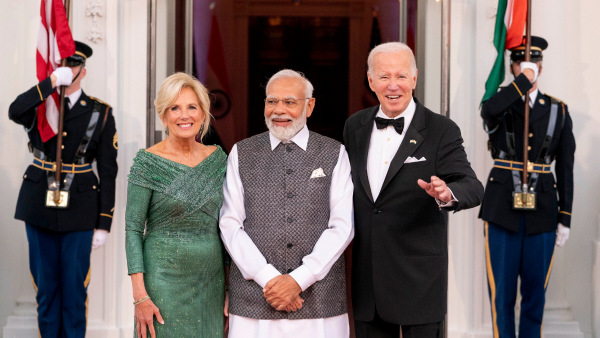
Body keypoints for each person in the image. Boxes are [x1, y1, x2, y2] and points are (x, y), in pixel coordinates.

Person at [343, 41, 484, 337]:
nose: (393, 85)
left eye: (401, 76)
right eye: (384, 77)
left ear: (415, 79)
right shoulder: (354, 126)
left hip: (418, 280)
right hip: (368, 281)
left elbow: (472, 185)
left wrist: (447, 194)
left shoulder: (441, 129)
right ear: (370, 80)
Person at [219, 69, 354, 337]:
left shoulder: (334, 152)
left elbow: (343, 226)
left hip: (320, 299)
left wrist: (298, 280)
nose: (279, 110)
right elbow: (230, 224)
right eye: (272, 101)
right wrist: (269, 279)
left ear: (310, 105)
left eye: (289, 102)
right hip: (253, 298)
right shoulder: (241, 152)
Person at [8, 40, 117, 337]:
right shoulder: (40, 106)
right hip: (38, 207)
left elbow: (108, 171)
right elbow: (14, 110)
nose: (67, 70)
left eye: (72, 65)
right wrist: (50, 83)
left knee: (73, 293)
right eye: (61, 65)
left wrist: (104, 222)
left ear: (83, 70)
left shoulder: (100, 113)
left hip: (81, 212)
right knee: (45, 292)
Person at [480, 36, 575, 337]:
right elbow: (488, 110)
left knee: (535, 295)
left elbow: (566, 167)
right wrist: (522, 82)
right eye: (522, 63)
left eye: (534, 64)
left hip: (544, 210)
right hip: (501, 210)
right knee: (502, 295)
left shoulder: (558, 110)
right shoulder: (499, 104)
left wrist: (565, 217)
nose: (528, 68)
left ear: (542, 68)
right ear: (512, 67)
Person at [125, 72, 227, 338]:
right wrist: (139, 296)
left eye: (192, 107)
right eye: (175, 108)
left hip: (210, 282)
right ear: (163, 116)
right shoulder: (147, 162)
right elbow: (133, 230)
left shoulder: (218, 160)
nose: (185, 115)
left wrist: (230, 289)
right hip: (162, 281)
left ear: (203, 114)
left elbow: (229, 226)